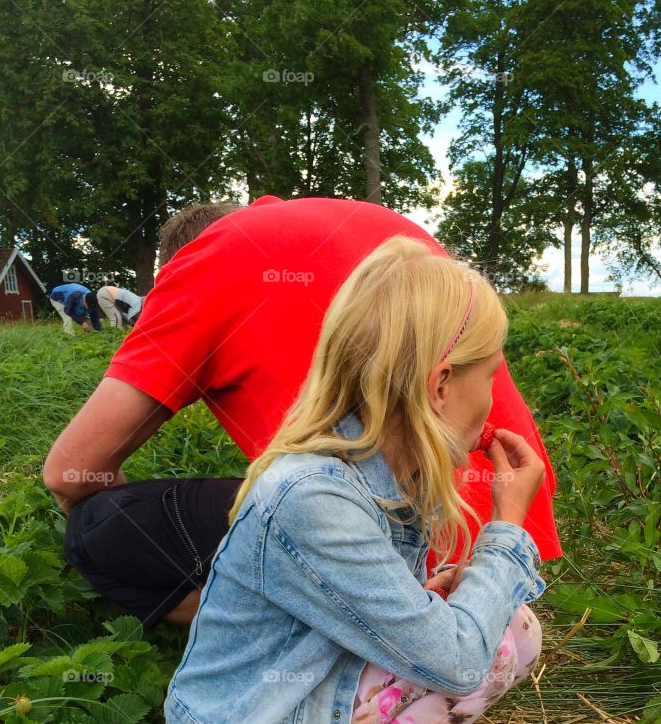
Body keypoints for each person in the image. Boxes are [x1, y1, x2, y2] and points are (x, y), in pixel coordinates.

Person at [164, 235, 546, 724]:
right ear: (441, 384)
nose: (493, 392)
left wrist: (423, 597)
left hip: (273, 723)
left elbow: (347, 610)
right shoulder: (315, 495)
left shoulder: (374, 466)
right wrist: (507, 524)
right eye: (491, 372)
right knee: (506, 637)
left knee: (487, 621)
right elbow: (455, 662)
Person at [43, 196, 560, 632]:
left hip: (386, 565)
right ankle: (446, 612)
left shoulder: (206, 262)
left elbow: (69, 473)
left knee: (97, 526)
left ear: (172, 266)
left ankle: (318, 645)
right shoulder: (375, 223)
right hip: (501, 519)